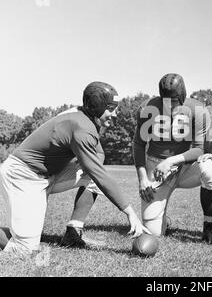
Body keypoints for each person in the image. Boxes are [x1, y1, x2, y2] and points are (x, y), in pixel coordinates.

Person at [0, 81, 149, 255]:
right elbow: (98, 173)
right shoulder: (82, 126)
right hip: (24, 176)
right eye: (110, 108)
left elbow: (98, 157)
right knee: (24, 250)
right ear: (96, 107)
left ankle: (73, 232)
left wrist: (84, 162)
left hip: (47, 175)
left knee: (93, 175)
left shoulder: (85, 118)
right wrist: (130, 213)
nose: (115, 114)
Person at [133, 73, 212, 244]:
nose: (169, 105)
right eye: (165, 100)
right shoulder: (147, 108)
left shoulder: (198, 110)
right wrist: (142, 178)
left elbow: (198, 150)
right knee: (153, 232)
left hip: (186, 167)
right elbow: (138, 144)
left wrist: (171, 161)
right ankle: (163, 219)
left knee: (211, 169)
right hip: (156, 167)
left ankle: (209, 227)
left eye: (174, 100)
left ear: (182, 96)